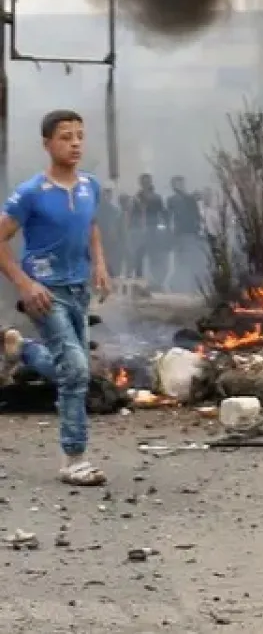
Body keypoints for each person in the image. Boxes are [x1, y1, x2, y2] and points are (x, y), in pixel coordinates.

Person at [0, 109, 110, 486]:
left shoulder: (89, 186)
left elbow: (91, 224)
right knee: (77, 370)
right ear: (48, 144)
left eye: (80, 135)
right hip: (46, 293)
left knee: (71, 369)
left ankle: (24, 352)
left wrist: (99, 264)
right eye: (66, 136)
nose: (75, 143)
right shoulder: (31, 192)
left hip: (79, 289)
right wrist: (25, 285)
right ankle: (74, 458)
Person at [128, 174, 167, 286]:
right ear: (141, 183)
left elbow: (162, 213)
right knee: (139, 255)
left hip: (152, 230)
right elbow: (132, 214)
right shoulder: (136, 197)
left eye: (147, 181)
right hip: (139, 230)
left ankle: (156, 280)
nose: (146, 184)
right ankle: (140, 279)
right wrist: (132, 228)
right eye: (143, 182)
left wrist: (163, 226)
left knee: (154, 255)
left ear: (150, 183)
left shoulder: (157, 197)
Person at [166, 176, 203, 292]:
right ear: (173, 186)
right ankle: (176, 285)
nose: (179, 186)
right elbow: (169, 217)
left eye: (181, 183)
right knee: (180, 261)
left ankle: (191, 286)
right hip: (179, 234)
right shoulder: (172, 199)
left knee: (191, 260)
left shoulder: (189, 198)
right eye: (177, 184)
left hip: (190, 233)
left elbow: (197, 216)